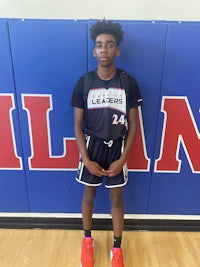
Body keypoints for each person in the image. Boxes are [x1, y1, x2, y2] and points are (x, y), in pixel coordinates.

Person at [70, 20, 142, 267]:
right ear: (94, 51)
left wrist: (123, 159)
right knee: (88, 195)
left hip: (117, 149)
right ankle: (87, 240)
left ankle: (117, 248)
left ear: (117, 50)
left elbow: (133, 125)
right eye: (99, 45)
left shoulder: (128, 82)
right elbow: (78, 126)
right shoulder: (84, 83)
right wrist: (86, 159)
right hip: (92, 147)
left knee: (116, 199)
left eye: (109, 45)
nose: (104, 50)